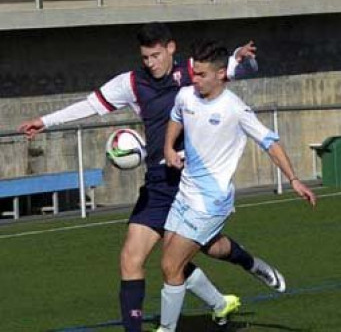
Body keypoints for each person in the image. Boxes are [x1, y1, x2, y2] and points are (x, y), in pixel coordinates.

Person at [16, 22, 285, 331]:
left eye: (156, 55)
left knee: (210, 249)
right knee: (131, 258)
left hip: (193, 183)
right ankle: (201, 308)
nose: (151, 63)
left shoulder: (192, 71)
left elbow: (230, 68)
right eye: (145, 57)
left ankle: (247, 263)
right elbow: (90, 105)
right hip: (159, 180)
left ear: (171, 48)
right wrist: (45, 121)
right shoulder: (131, 82)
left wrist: (240, 56)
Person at [156, 40, 316, 332]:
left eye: (202, 74)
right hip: (185, 193)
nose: (195, 78)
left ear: (220, 75)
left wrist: (293, 179)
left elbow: (271, 142)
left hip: (211, 201)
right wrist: (168, 147)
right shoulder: (185, 97)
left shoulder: (235, 109)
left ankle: (167, 329)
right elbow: (175, 118)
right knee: (204, 251)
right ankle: (236, 281)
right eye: (195, 72)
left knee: (170, 266)